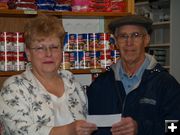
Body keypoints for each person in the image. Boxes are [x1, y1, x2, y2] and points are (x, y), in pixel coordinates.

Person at [0, 14, 97, 135]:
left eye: (54, 47)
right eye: (40, 48)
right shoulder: (14, 87)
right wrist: (68, 130)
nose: (48, 54)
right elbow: (21, 131)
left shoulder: (72, 82)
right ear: (28, 53)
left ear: (62, 50)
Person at [87, 15, 180, 135]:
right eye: (123, 36)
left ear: (146, 40)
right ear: (115, 42)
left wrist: (140, 128)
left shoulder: (166, 84)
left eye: (136, 35)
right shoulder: (99, 85)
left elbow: (176, 127)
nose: (129, 42)